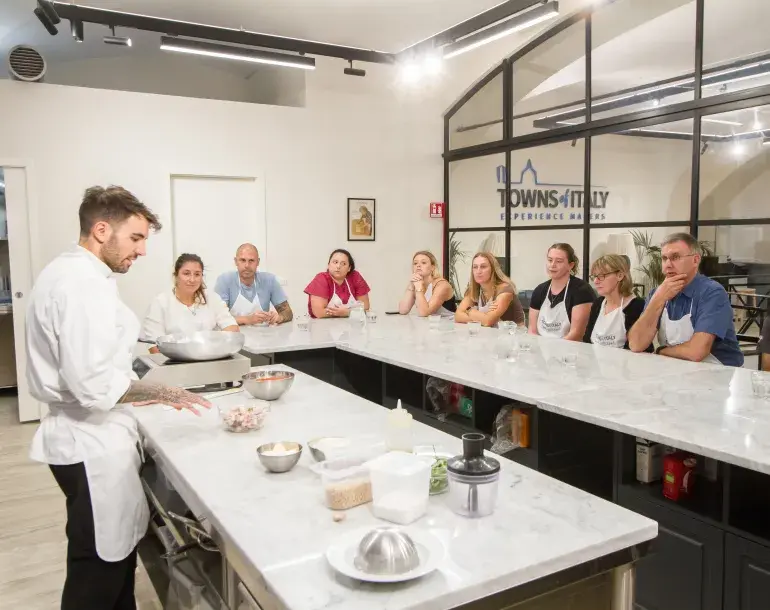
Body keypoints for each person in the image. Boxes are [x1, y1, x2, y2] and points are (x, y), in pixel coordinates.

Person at [26, 186, 210, 610]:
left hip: (90, 437)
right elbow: (93, 385)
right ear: (101, 229)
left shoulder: (81, 275)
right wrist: (162, 391)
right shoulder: (78, 284)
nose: (143, 251)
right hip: (89, 445)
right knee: (97, 572)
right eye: (136, 238)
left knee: (117, 566)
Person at [628, 232, 743, 366]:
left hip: (717, 373)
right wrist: (658, 299)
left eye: (675, 257)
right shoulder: (658, 293)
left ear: (695, 260)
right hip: (676, 371)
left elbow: (697, 352)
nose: (668, 264)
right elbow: (636, 344)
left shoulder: (712, 293)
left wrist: (661, 351)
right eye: (664, 258)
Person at [142, 253, 239, 349]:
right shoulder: (160, 303)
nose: (192, 279)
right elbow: (154, 345)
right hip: (172, 362)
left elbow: (232, 329)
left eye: (197, 274)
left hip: (210, 358)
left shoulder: (212, 298)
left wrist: (213, 348)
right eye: (186, 273)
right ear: (176, 275)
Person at [214, 243, 292, 326]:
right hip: (235, 336)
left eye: (251, 261)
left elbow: (288, 312)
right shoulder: (225, 280)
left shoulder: (269, 280)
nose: (247, 265)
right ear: (236, 261)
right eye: (242, 260)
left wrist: (278, 317)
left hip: (263, 336)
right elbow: (217, 317)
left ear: (258, 262)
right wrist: (247, 319)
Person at [583, 254, 649, 351]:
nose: (596, 281)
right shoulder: (598, 304)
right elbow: (587, 341)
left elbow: (639, 348)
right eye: (594, 276)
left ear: (620, 275)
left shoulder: (637, 305)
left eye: (601, 276)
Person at [529, 243, 594, 340]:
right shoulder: (540, 290)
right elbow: (532, 330)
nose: (552, 265)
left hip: (569, 351)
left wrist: (554, 352)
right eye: (550, 260)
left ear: (570, 265)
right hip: (541, 349)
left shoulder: (581, 291)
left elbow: (576, 334)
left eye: (559, 261)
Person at [455, 252, 524, 327]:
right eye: (475, 267)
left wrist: (469, 310)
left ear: (493, 269)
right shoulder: (474, 289)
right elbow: (458, 316)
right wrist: (482, 317)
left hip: (514, 334)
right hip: (491, 333)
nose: (478, 271)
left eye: (483, 267)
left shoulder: (505, 290)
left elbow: (488, 321)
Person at [304, 249, 370, 318]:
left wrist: (347, 312)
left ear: (349, 268)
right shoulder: (321, 279)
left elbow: (365, 307)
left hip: (352, 324)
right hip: (323, 325)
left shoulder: (355, 277)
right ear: (329, 265)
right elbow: (319, 313)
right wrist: (344, 312)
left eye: (343, 264)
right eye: (335, 262)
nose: (338, 266)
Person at [398, 250, 456, 317]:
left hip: (449, 324)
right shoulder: (416, 283)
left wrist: (419, 289)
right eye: (415, 263)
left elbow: (425, 313)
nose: (418, 265)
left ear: (432, 267)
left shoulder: (442, 285)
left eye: (423, 262)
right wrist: (411, 285)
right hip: (428, 324)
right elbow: (403, 310)